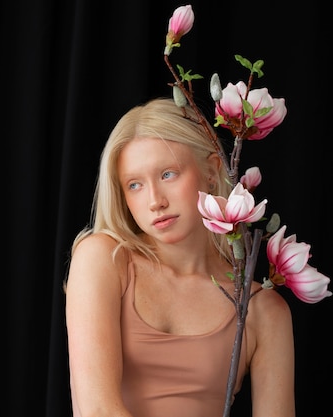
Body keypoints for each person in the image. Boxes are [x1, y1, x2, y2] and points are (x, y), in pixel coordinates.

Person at [64, 97, 295, 417]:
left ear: (212, 171)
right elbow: (97, 409)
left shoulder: (263, 309)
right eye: (135, 185)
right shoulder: (104, 260)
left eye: (168, 174)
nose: (155, 201)